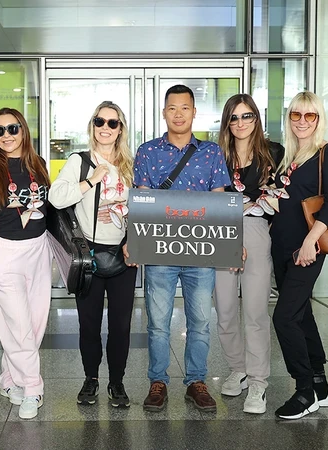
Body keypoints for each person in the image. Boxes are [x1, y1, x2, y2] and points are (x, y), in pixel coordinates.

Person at [134, 84, 230, 413]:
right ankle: (158, 381)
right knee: (158, 322)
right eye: (172, 108)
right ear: (164, 113)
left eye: (184, 107)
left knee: (200, 321)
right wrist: (136, 242)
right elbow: (143, 199)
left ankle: (196, 382)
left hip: (201, 252)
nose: (178, 113)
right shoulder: (147, 152)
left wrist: (233, 241)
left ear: (193, 112)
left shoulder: (211, 152)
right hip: (161, 252)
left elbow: (220, 198)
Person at [50, 101, 138, 408]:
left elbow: (141, 208)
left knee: (121, 325)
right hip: (89, 256)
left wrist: (135, 241)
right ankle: (91, 379)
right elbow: (56, 197)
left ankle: (117, 382)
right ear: (93, 125)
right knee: (88, 324)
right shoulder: (80, 161)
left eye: (112, 123)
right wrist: (90, 181)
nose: (105, 127)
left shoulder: (131, 164)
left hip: (124, 255)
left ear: (120, 129)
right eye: (100, 121)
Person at [0, 108, 52, 419]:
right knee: (19, 326)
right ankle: (33, 387)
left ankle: (9, 378)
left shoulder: (39, 165)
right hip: (4, 251)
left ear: (23, 130)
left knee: (33, 324)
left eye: (12, 128)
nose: (6, 135)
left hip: (38, 251)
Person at [270, 91, 328, 420]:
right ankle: (320, 383)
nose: (302, 121)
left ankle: (304, 392)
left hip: (307, 248)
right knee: (300, 315)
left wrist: (311, 241)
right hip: (282, 246)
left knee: (284, 318)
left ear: (319, 118)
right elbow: (284, 201)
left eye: (309, 116)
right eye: (296, 115)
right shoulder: (288, 155)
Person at [214, 94, 284, 414]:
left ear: (256, 118)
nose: (241, 123)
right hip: (221, 232)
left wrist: (251, 205)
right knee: (226, 309)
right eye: (235, 118)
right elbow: (210, 198)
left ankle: (258, 382)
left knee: (254, 310)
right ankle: (238, 369)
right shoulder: (216, 155)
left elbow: (276, 198)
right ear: (227, 122)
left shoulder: (273, 152)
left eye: (247, 116)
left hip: (257, 231)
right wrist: (248, 203)